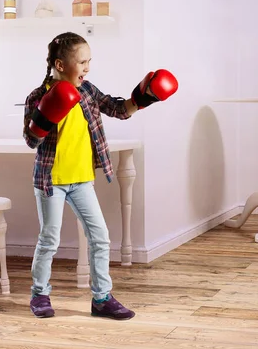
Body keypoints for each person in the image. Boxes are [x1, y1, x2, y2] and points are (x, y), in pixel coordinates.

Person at [22, 31, 177, 320]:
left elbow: (117, 109)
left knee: (100, 237)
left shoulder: (87, 90)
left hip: (82, 180)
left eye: (89, 61)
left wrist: (144, 98)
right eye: (82, 62)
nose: (87, 67)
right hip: (50, 181)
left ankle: (101, 299)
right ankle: (40, 294)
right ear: (60, 64)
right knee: (49, 240)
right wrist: (43, 119)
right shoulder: (37, 97)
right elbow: (31, 140)